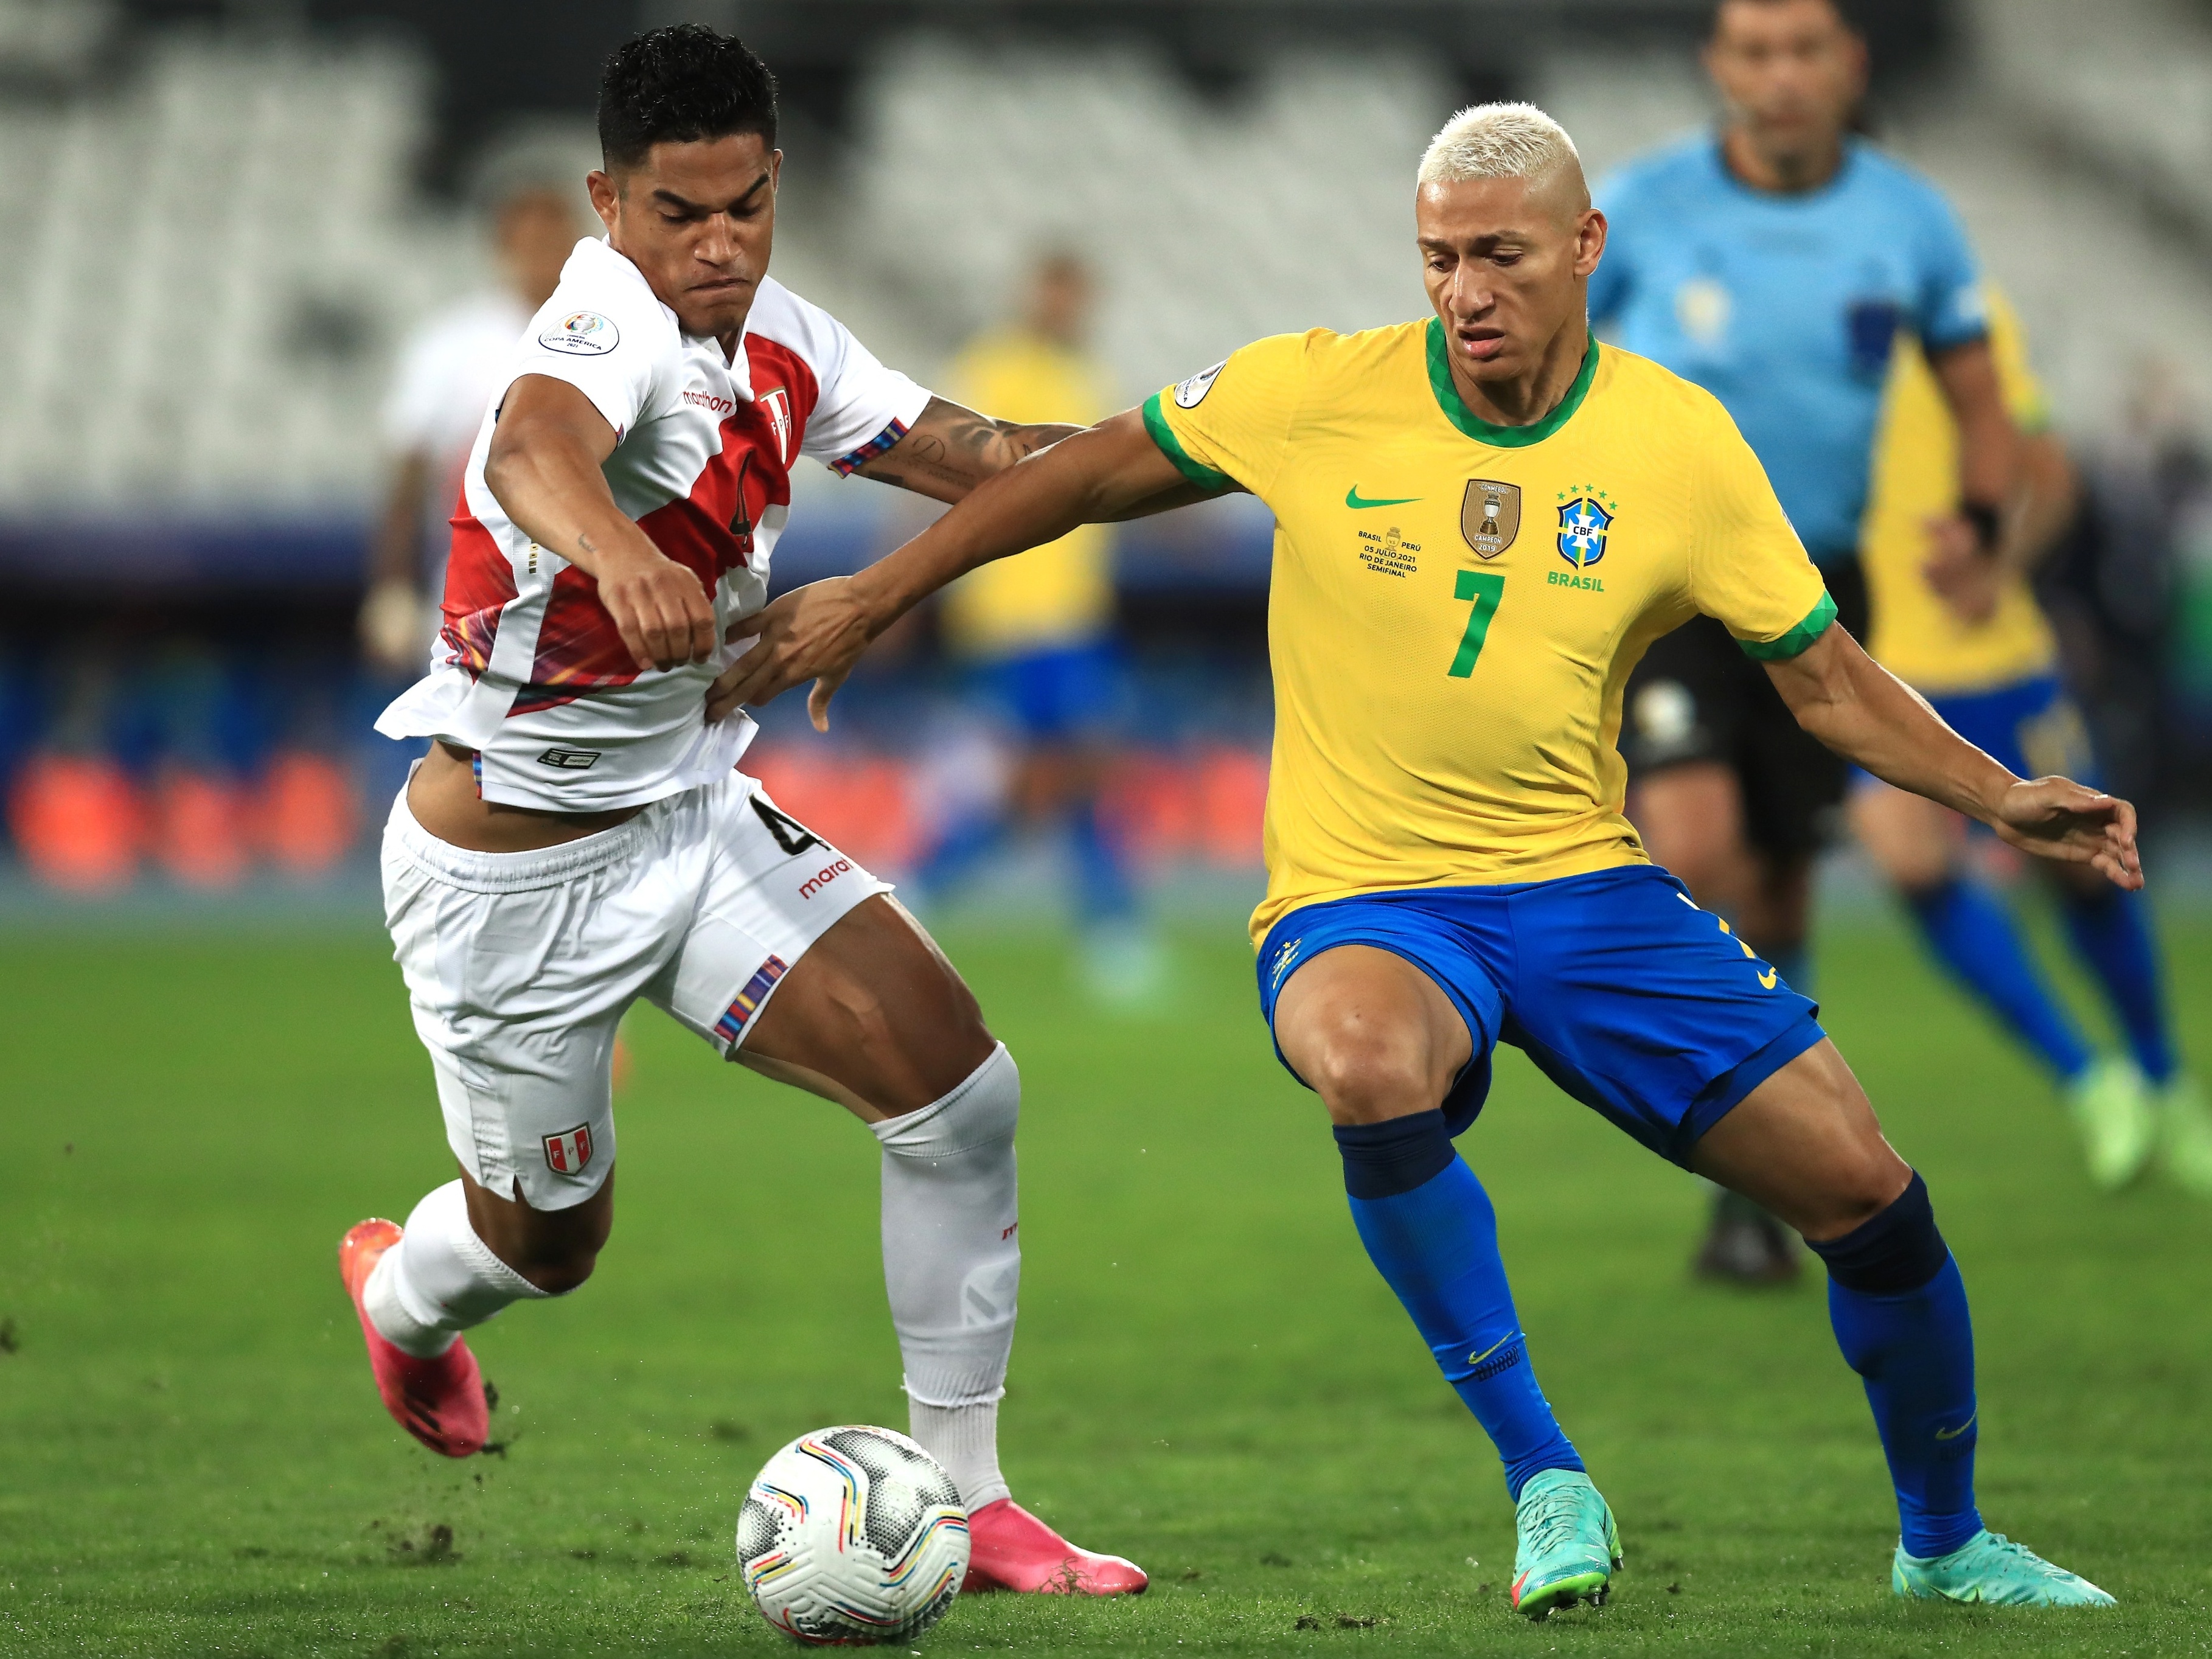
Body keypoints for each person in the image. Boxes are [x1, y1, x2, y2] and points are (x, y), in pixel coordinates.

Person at [716, 103, 2130, 1616]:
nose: (1462, 290)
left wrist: (1999, 795)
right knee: (1364, 1058)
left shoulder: (1675, 442)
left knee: (1869, 1194)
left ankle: (1943, 1538)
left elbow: (1824, 676)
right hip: (1362, 898)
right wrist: (878, 589)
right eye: (1438, 257)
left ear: (1584, 248)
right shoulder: (1312, 391)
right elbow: (1075, 475)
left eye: (1499, 255)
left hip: (1588, 888)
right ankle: (1543, 1473)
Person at [340, 25, 1149, 1598]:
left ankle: (970, 1498)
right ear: (608, 202)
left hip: (690, 815)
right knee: (547, 1242)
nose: (714, 249)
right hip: (505, 873)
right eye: (676, 213)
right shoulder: (602, 318)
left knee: (959, 1094)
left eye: (745, 209)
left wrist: (1216, 454)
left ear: (775, 186)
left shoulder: (788, 337)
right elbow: (529, 448)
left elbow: (983, 457)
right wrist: (620, 552)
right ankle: (401, 1298)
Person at [1588, 0, 2028, 1282]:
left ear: (1850, 66)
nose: (1779, 76)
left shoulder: (1909, 220)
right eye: (1754, 52)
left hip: (1817, 586)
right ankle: (1719, 1124)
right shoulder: (1643, 207)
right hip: (1661, 579)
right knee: (1694, 842)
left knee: (1780, 891)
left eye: (1803, 51)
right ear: (1720, 67)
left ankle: (1750, 1182)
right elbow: (1538, 348)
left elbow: (1979, 397)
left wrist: (1985, 520)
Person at [1856, 291, 2212, 1194]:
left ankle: (2164, 1079)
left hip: (2001, 659)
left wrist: (1997, 565)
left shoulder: (1958, 319)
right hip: (1876, 670)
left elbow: (2050, 473)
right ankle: (2089, 1079)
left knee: (2085, 863)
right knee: (1909, 860)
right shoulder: (1773, 349)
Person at [928, 251, 1158, 999]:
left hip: (1073, 617)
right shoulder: (992, 368)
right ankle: (1107, 930)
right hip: (1010, 616)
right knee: (1055, 778)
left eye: (1078, 294)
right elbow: (934, 468)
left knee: (1060, 780)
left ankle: (930, 888)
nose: (1068, 306)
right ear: (1036, 294)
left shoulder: (1088, 379)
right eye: (1057, 291)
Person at [361, 158, 588, 679]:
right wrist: (392, 584)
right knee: (468, 745)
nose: (542, 255)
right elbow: (409, 474)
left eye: (554, 239)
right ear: (502, 247)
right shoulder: (453, 343)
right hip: (479, 579)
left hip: (588, 579)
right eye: (528, 240)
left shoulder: (612, 336)